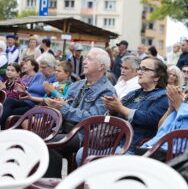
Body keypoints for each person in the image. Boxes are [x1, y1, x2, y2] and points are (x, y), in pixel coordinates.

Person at [44, 48, 116, 178]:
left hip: (85, 135)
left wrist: (63, 107)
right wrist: (56, 105)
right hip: (64, 129)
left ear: (102, 66)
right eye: (85, 58)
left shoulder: (107, 91)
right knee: (37, 138)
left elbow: (92, 118)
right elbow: (66, 106)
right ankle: (43, 182)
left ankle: (51, 184)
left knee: (49, 142)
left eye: (89, 59)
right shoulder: (77, 85)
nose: (84, 62)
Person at [102, 56, 169, 153]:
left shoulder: (164, 96)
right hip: (117, 143)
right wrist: (112, 109)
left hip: (136, 148)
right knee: (81, 153)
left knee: (86, 155)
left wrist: (121, 109)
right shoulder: (133, 94)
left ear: (157, 76)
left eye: (145, 69)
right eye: (139, 68)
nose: (139, 72)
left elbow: (151, 119)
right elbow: (117, 117)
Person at [0, 53, 57, 130]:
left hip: (35, 104)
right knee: (8, 104)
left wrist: (32, 97)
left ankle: (3, 132)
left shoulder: (54, 79)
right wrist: (23, 90)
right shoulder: (38, 75)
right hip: (26, 100)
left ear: (52, 67)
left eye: (43, 67)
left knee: (9, 107)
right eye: (41, 67)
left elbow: (50, 98)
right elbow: (29, 89)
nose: (41, 69)